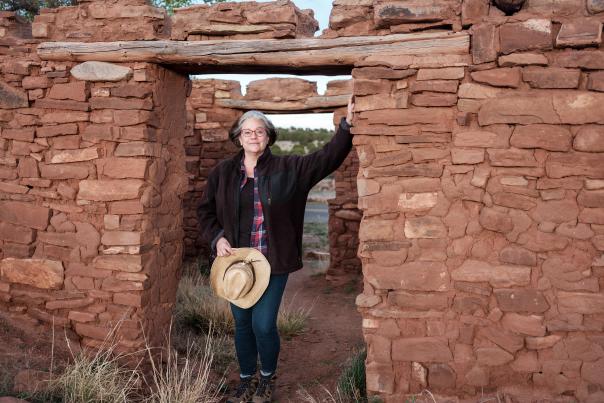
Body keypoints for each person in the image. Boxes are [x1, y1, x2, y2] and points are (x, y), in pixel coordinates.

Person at [197, 97, 354, 403]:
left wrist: (347, 126)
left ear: (268, 137)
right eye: (247, 132)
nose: (253, 136)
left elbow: (327, 158)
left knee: (263, 324)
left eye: (260, 131)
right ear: (238, 138)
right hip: (236, 264)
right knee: (241, 324)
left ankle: (267, 378)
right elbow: (205, 212)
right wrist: (216, 238)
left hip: (272, 261)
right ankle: (246, 379)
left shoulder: (289, 169)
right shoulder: (222, 173)